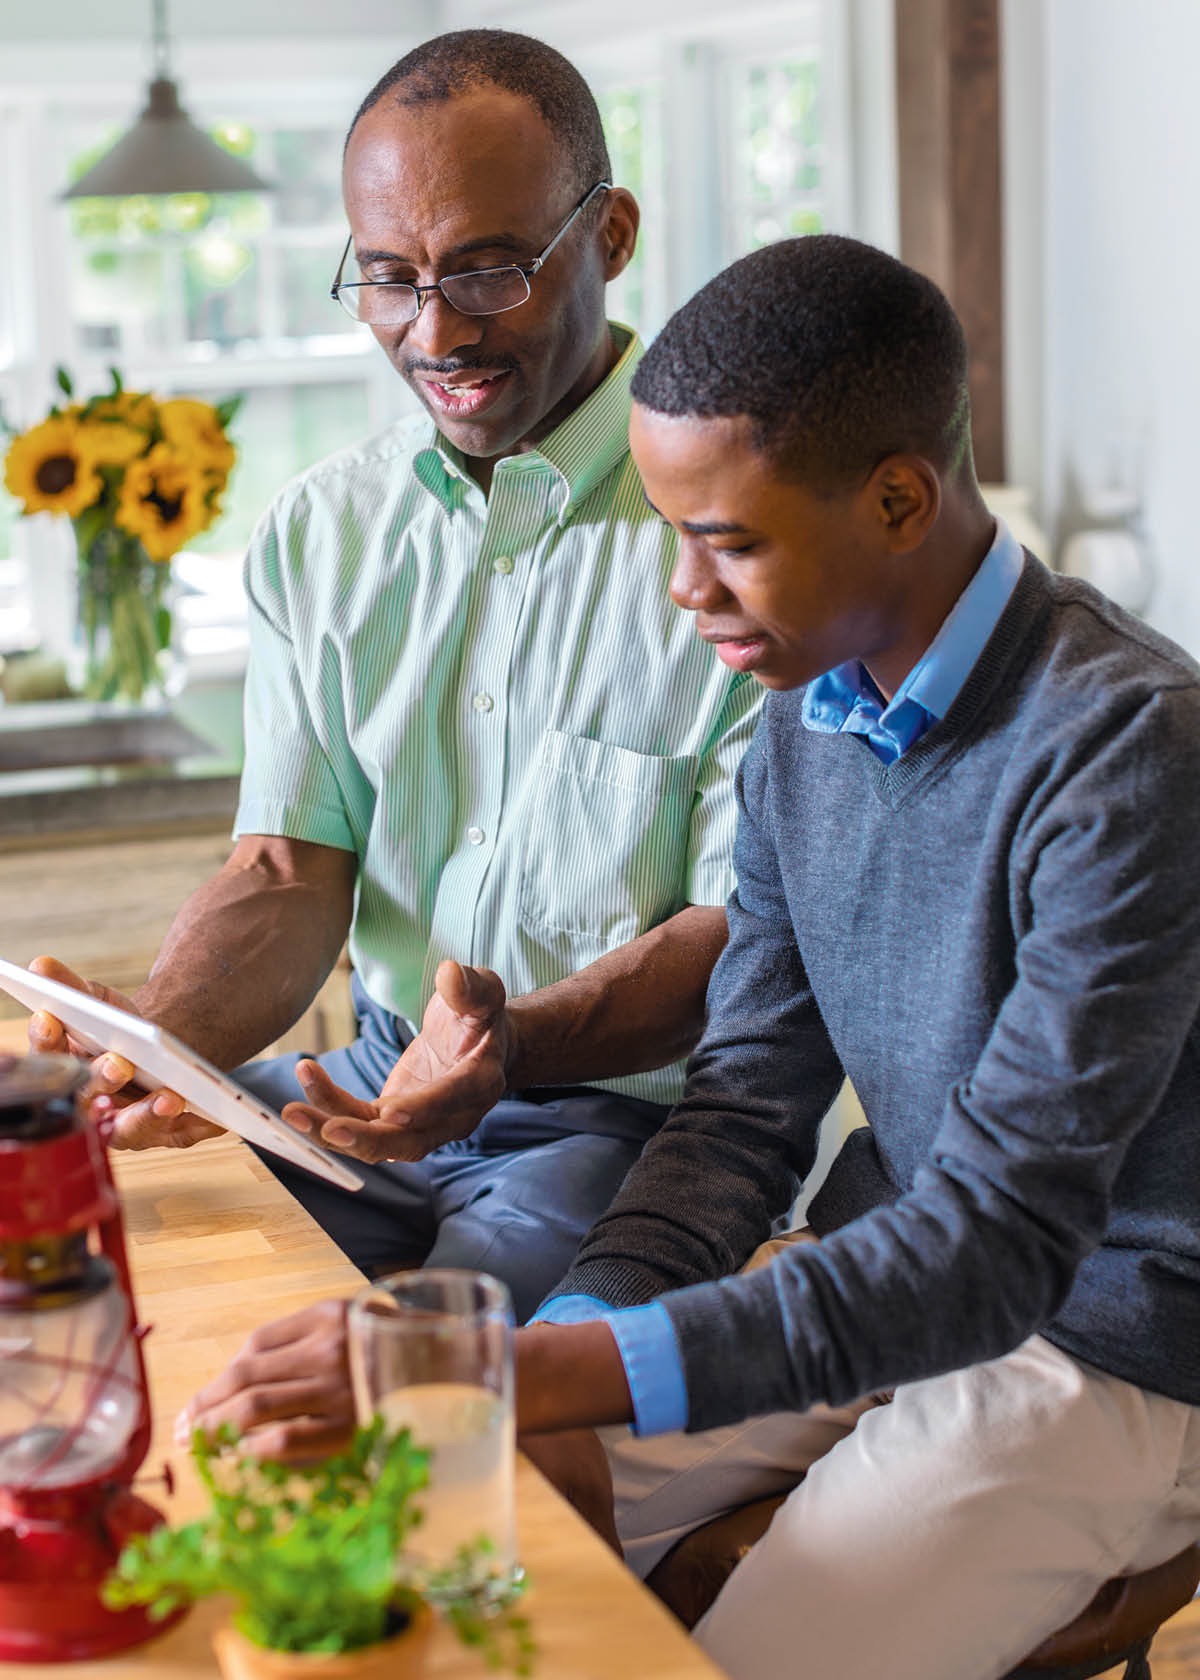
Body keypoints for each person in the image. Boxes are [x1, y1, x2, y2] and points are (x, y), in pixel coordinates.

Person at [181, 235, 1200, 1680]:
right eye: (672, 533)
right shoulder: (807, 723)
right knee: (455, 1534)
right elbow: (741, 1109)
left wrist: (517, 1369)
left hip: (1117, 1350)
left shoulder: (1129, 751)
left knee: (732, 1660)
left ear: (900, 499)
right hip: (886, 1276)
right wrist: (579, 1355)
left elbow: (997, 1244)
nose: (683, 589)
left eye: (727, 539)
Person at [29, 30, 761, 1322]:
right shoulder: (324, 534)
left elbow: (734, 943)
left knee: (421, 1383)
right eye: (387, 279)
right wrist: (160, 1044)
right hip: (363, 1081)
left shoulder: (738, 535)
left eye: (487, 269)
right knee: (103, 1267)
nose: (436, 332)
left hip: (616, 1132)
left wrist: (504, 1050)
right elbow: (286, 872)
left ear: (611, 236)